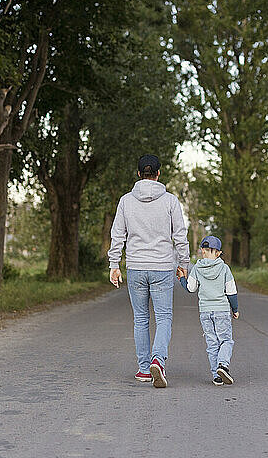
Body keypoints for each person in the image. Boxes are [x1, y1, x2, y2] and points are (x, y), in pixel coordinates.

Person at [108, 154, 190, 388]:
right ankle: (158, 360)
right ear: (158, 174)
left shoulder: (126, 201)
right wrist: (183, 264)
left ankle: (145, 369)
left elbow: (117, 235)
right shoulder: (171, 201)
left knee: (141, 319)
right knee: (164, 318)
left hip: (135, 267)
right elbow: (180, 236)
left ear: (138, 174)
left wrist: (114, 265)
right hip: (163, 267)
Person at [177, 235, 239, 386]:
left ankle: (216, 376)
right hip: (222, 311)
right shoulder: (224, 268)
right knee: (225, 340)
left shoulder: (197, 268)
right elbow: (231, 291)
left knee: (212, 343)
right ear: (218, 253)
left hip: (205, 311)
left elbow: (191, 288)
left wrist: (181, 279)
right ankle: (223, 365)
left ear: (202, 252)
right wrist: (235, 309)